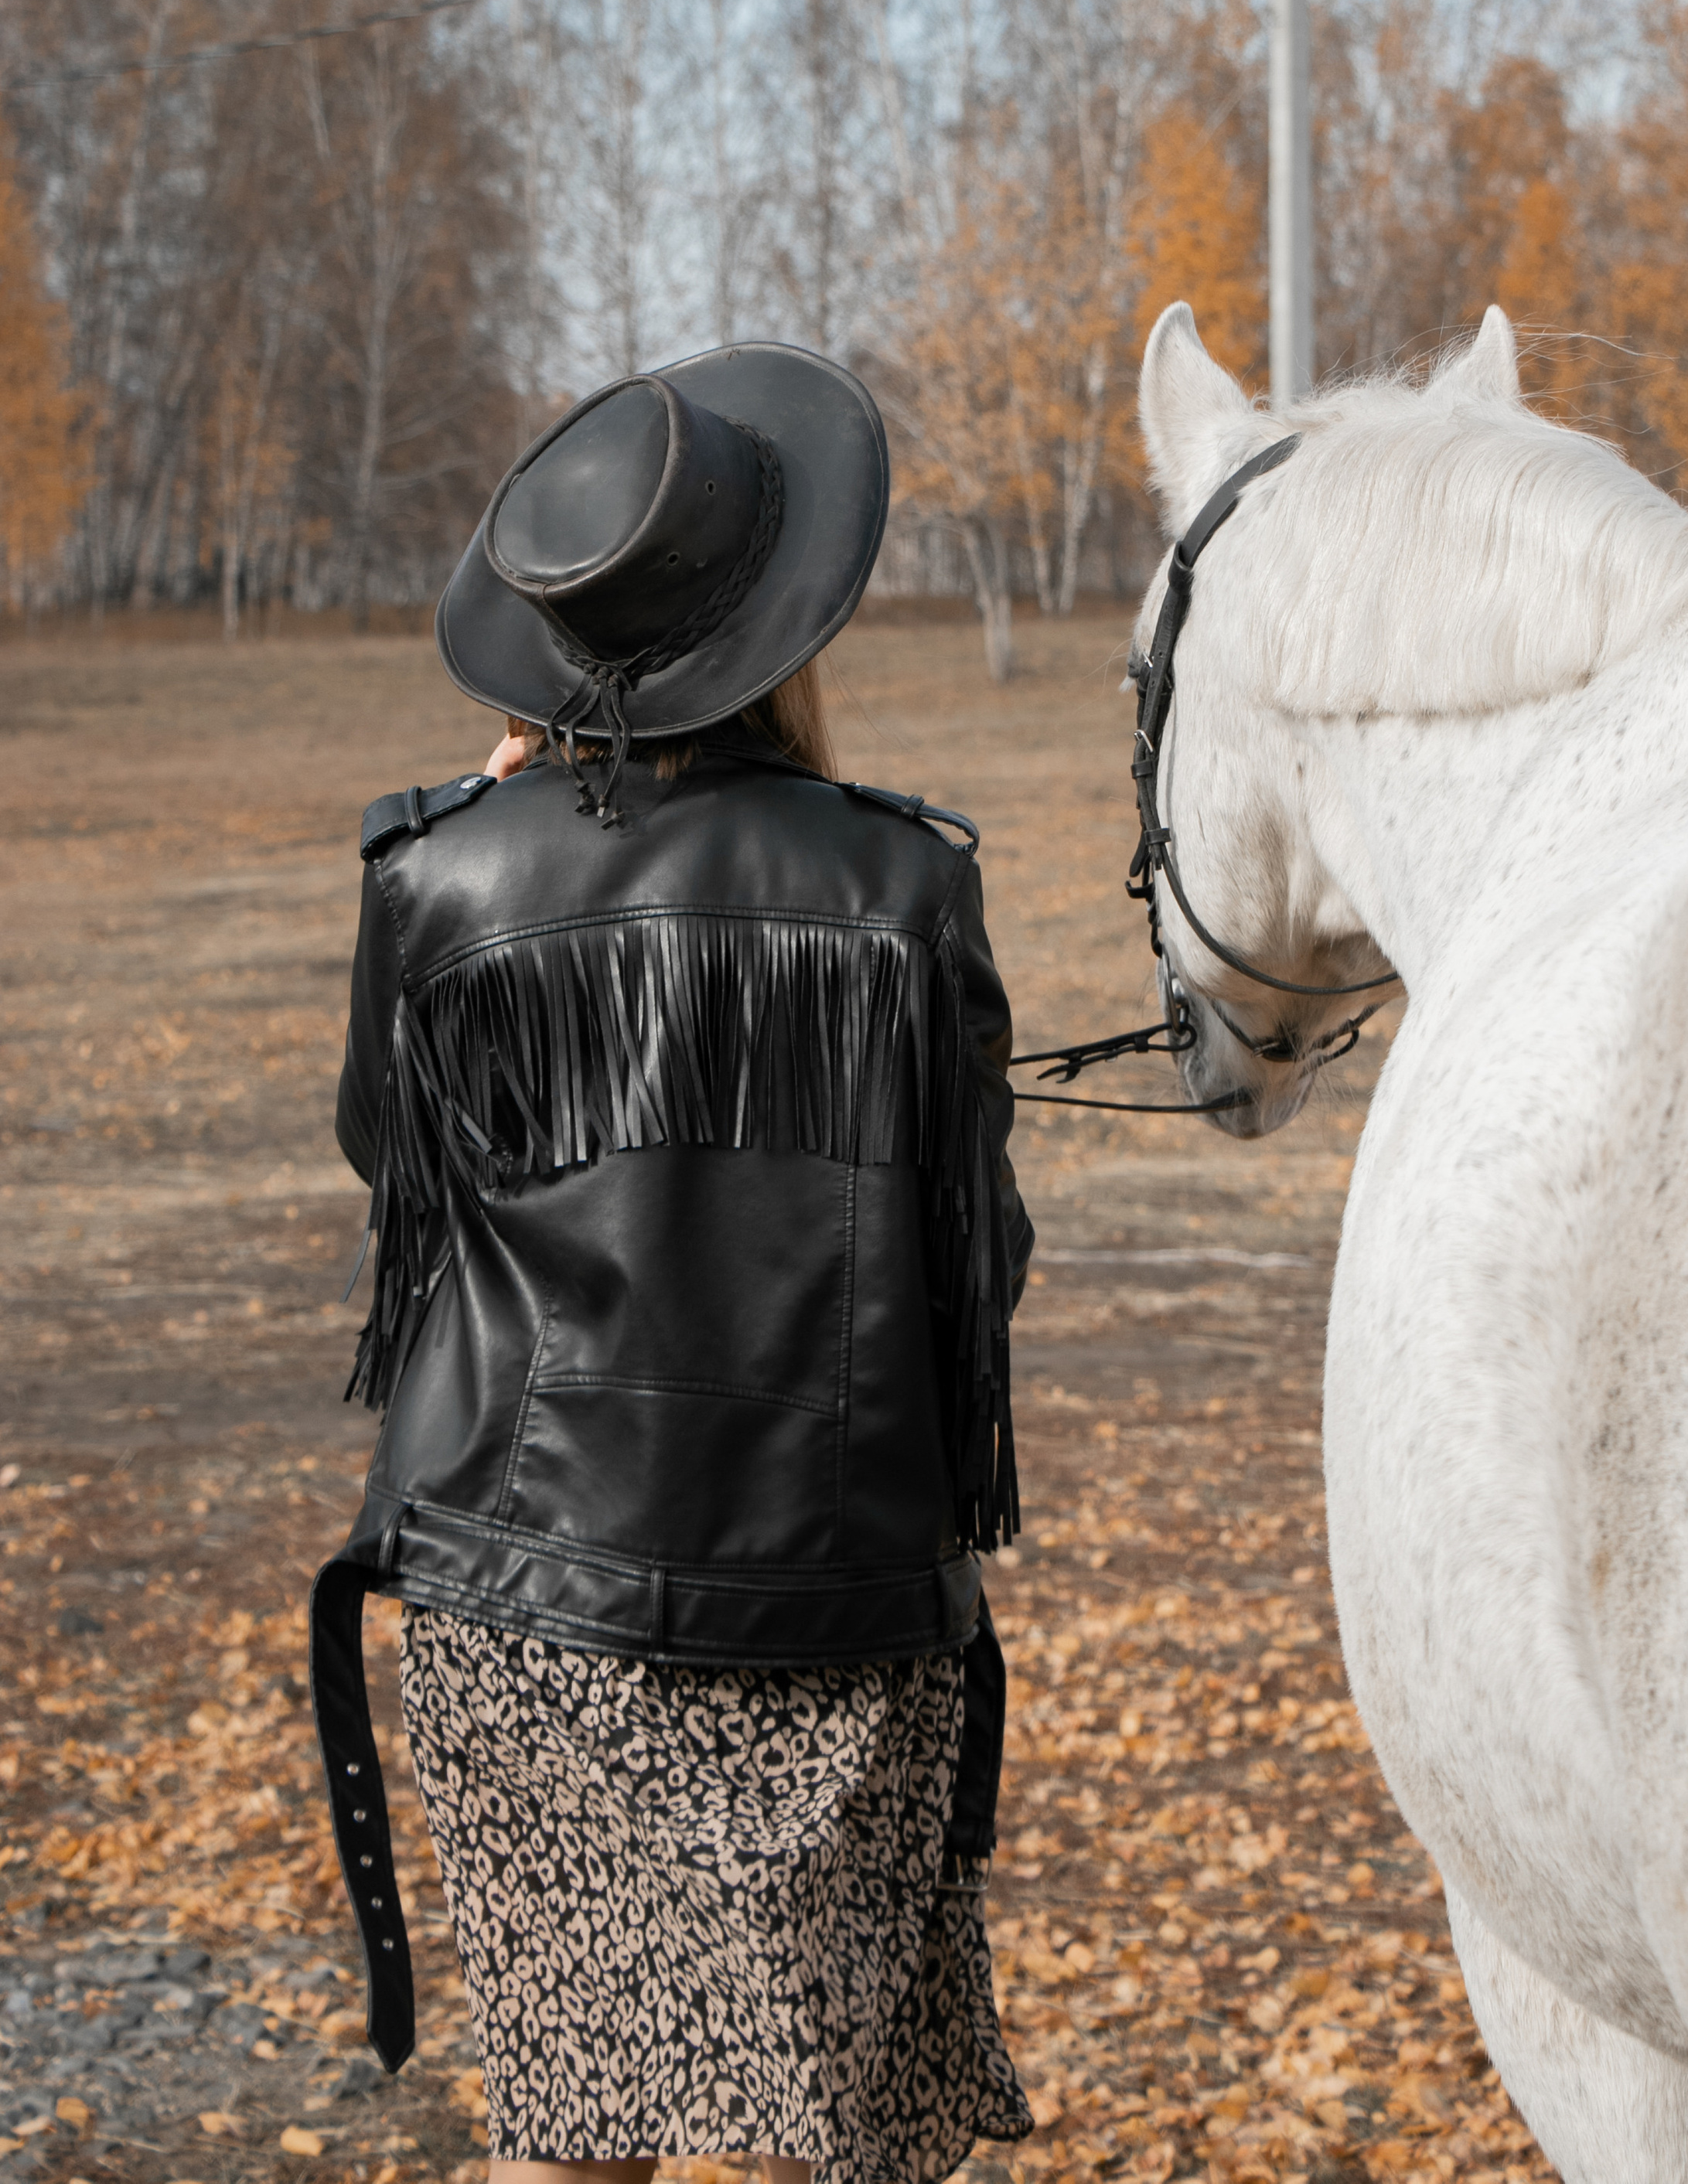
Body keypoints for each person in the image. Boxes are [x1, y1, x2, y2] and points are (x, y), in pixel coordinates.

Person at [309, 342, 1034, 2184]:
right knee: (814, 2134)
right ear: (778, 623)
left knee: (569, 2133)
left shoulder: (434, 877)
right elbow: (979, 1252)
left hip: (521, 1588)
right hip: (830, 1601)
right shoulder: (899, 885)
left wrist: (492, 829)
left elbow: (399, 1182)